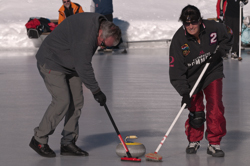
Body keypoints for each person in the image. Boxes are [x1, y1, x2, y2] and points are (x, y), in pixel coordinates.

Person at [29, 13, 121, 158]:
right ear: (100, 33)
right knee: (62, 100)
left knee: (77, 101)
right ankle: (39, 139)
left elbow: (81, 63)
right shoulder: (86, 38)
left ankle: (68, 142)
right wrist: (96, 91)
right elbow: (84, 66)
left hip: (70, 62)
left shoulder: (100, 25)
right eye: (102, 44)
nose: (100, 47)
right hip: (51, 60)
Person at [169, 5, 233, 157]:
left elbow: (229, 35)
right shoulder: (179, 40)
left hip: (212, 72)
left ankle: (214, 142)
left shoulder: (213, 27)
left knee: (215, 105)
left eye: (194, 22)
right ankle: (194, 139)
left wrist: (220, 52)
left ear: (200, 21)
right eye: (187, 23)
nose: (191, 26)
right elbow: (176, 70)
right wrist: (184, 92)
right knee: (196, 111)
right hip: (192, 77)